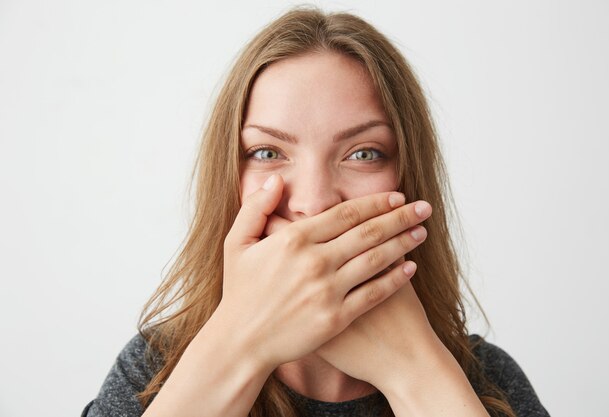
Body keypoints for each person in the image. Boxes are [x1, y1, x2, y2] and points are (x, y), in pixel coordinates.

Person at [82, 7, 550, 417]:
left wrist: (415, 372)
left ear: (408, 181)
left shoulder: (489, 383)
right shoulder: (152, 370)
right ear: (230, 178)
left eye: (364, 153)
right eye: (267, 152)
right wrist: (240, 344)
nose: (315, 203)